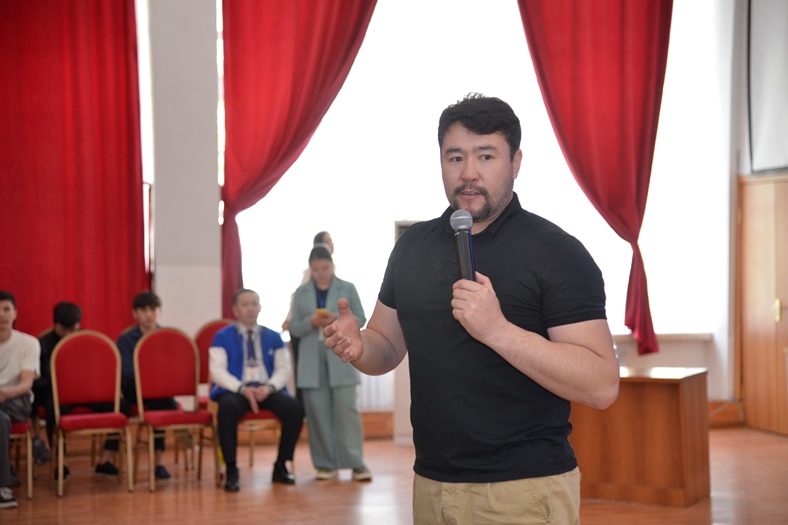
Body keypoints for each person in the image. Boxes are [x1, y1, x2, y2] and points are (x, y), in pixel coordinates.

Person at [324, 94, 620, 524]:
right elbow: (385, 345)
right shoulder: (412, 247)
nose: (468, 173)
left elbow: (601, 385)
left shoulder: (557, 252)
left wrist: (497, 330)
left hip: (523, 487)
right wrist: (358, 347)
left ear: (515, 163)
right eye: (455, 157)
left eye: (486, 156)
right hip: (432, 484)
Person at [209, 288, 304, 491]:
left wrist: (269, 388)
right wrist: (242, 388)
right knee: (226, 409)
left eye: (254, 304)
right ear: (235, 310)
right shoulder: (222, 337)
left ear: (260, 307)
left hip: (265, 389)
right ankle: (231, 469)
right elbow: (217, 371)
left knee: (295, 409)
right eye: (245, 304)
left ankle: (281, 466)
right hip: (236, 390)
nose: (250, 308)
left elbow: (284, 369)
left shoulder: (274, 337)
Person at [290, 246, 371, 482]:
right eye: (316, 269)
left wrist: (336, 320)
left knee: (347, 413)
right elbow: (293, 327)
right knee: (318, 415)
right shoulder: (301, 292)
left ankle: (356, 464)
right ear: (310, 269)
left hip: (341, 357)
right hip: (311, 362)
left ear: (332, 266)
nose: (321, 273)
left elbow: (360, 317)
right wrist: (311, 321)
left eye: (325, 268)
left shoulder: (347, 288)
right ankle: (325, 464)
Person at [114, 290, 179, 480]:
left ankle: (159, 462)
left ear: (160, 311)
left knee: (161, 400)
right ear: (135, 314)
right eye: (143, 310)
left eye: (153, 309)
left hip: (160, 390)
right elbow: (126, 372)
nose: (149, 314)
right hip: (134, 389)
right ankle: (178, 430)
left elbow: (174, 369)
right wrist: (153, 377)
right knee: (163, 400)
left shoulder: (166, 337)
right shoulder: (126, 339)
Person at [282, 231, 335, 402]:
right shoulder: (310, 273)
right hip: (306, 328)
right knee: (305, 375)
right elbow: (298, 299)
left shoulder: (335, 275)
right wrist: (290, 319)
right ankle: (303, 407)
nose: (331, 244)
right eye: (327, 241)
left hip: (326, 330)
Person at [0, 291, 40, 509]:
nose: (1, 315)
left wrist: (5, 393)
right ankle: (4, 485)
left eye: (6, 309)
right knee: (1, 420)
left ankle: (3, 486)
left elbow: (26, 383)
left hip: (17, 400)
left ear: (15, 313)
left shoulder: (28, 343)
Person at [33, 301, 82, 466]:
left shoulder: (88, 342)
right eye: (63, 330)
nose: (67, 334)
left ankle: (105, 460)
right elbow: (37, 381)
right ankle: (61, 462)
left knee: (121, 406)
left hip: (84, 393)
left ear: (78, 324)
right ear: (54, 324)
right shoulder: (42, 345)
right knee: (52, 408)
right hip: (54, 393)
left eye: (72, 329)